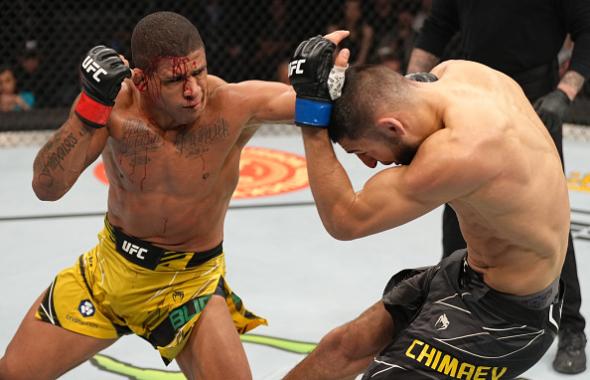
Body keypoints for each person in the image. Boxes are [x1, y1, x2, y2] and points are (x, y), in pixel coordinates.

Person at [0, 11, 300, 380]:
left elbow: (319, 104)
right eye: (175, 79)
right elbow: (46, 187)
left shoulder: (233, 105)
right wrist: (89, 106)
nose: (193, 90)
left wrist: (328, 79)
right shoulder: (114, 109)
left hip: (190, 286)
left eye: (199, 72)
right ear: (140, 80)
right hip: (108, 274)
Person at [284, 33, 568, 379]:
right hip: (469, 273)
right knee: (341, 348)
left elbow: (345, 220)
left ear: (391, 127)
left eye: (363, 151)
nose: (370, 164)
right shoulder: (463, 74)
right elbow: (384, 92)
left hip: (505, 321)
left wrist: (311, 117)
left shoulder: (461, 152)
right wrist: (335, 84)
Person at [406, 0, 590, 373]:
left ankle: (571, 325)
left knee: (548, 214)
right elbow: (437, 26)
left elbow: (587, 31)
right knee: (456, 199)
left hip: (534, 96)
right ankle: (452, 315)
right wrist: (409, 87)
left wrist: (564, 93)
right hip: (472, 94)